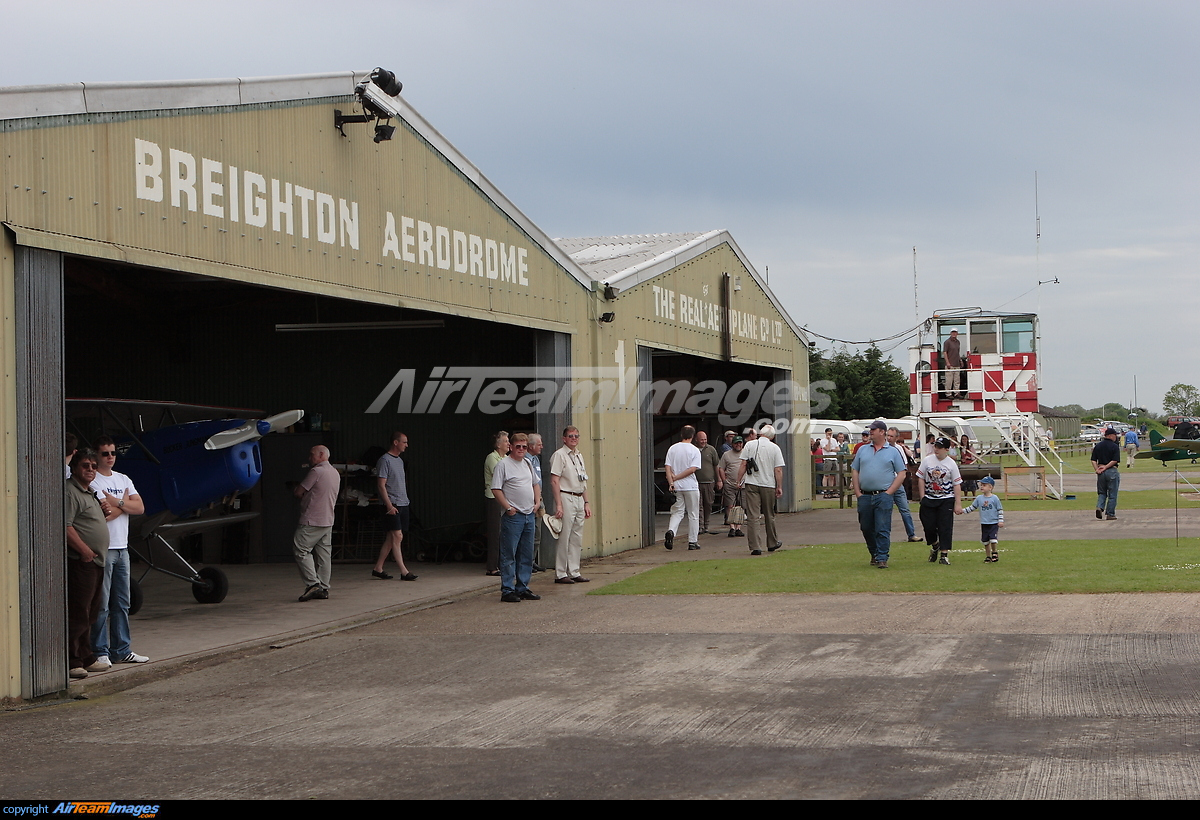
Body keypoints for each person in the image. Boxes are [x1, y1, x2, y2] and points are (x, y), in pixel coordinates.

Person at [89, 436, 148, 669]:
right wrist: (124, 505)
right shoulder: (94, 481)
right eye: (105, 453)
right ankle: (99, 650)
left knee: (122, 602)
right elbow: (106, 514)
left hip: (122, 548)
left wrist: (118, 503)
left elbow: (140, 508)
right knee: (102, 604)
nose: (110, 457)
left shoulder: (123, 478)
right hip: (104, 548)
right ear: (96, 455)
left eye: (113, 453)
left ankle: (121, 649)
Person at [64, 449, 111, 679]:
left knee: (92, 612)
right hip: (82, 562)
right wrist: (84, 551)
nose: (91, 470)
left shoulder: (90, 492)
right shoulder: (70, 491)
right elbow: (66, 525)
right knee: (78, 612)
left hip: (97, 561)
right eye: (85, 465)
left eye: (93, 466)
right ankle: (72, 660)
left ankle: (86, 656)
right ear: (75, 468)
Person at [491, 433, 542, 603]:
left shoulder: (527, 463)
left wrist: (537, 502)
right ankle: (507, 589)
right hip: (514, 516)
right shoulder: (503, 465)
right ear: (511, 447)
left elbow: (535, 483)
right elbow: (496, 489)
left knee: (526, 554)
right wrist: (507, 507)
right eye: (518, 446)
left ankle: (522, 587)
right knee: (509, 554)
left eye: (524, 447)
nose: (521, 450)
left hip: (529, 514)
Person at [852, 421, 908, 569]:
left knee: (882, 527)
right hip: (865, 495)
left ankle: (882, 557)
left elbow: (902, 473)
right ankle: (874, 552)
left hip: (883, 495)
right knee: (866, 527)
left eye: (873, 430)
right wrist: (857, 492)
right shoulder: (862, 450)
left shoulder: (893, 451)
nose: (870, 432)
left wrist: (889, 492)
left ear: (882, 432)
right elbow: (855, 470)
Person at [293, 444, 340, 601]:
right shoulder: (335, 473)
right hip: (328, 519)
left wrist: (297, 491)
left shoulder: (316, 471)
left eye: (312, 454)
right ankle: (324, 587)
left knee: (301, 548)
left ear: (321, 455)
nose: (309, 457)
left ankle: (313, 584)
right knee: (324, 554)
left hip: (312, 518)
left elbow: (299, 491)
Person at [373, 432, 417, 581]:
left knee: (392, 538)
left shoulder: (399, 461)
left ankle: (378, 568)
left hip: (403, 502)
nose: (407, 445)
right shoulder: (384, 460)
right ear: (395, 442)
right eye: (404, 442)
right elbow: (381, 485)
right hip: (392, 504)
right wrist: (389, 506)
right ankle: (404, 571)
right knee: (397, 536)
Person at [549, 426, 591, 584]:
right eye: (571, 436)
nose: (574, 438)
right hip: (566, 496)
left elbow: (583, 480)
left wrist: (586, 502)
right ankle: (560, 573)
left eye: (576, 436)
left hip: (579, 496)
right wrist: (559, 504)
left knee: (576, 537)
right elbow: (554, 480)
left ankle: (574, 571)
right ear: (564, 438)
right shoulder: (559, 455)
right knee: (564, 536)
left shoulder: (579, 455)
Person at [738, 424, 786, 556]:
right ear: (772, 436)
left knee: (753, 515)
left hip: (751, 483)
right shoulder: (775, 448)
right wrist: (779, 486)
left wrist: (738, 479)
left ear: (761, 433)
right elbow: (778, 469)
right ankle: (772, 542)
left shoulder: (749, 445)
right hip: (768, 484)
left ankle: (755, 546)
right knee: (769, 514)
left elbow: (743, 464)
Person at [917, 436, 963, 565]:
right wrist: (922, 496)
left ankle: (944, 554)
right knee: (929, 526)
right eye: (935, 446)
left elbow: (956, 484)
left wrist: (957, 503)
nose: (936, 449)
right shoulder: (927, 460)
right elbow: (920, 477)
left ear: (947, 449)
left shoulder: (951, 464)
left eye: (940, 447)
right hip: (929, 498)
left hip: (946, 499)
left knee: (945, 527)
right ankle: (935, 544)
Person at [664, 426, 702, 551]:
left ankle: (671, 531)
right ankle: (692, 541)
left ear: (681, 434)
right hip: (690, 485)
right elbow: (692, 469)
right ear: (693, 436)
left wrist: (671, 482)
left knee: (677, 512)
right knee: (693, 514)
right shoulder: (695, 450)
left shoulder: (672, 448)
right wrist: (677, 478)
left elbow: (668, 467)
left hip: (677, 487)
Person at [886, 427, 923, 543]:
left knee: (905, 510)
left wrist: (900, 481)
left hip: (897, 483)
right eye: (888, 435)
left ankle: (911, 534)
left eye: (891, 436)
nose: (888, 438)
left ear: (896, 438)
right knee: (886, 511)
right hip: (886, 484)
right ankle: (884, 536)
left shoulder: (899, 449)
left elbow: (904, 466)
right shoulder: (883, 448)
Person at [958, 476, 1004, 562]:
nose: (981, 487)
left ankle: (994, 552)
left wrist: (1000, 521)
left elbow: (999, 509)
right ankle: (988, 556)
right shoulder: (979, 498)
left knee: (993, 539)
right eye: (981, 485)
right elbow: (972, 507)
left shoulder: (995, 498)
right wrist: (962, 511)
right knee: (985, 541)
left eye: (984, 485)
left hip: (993, 523)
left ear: (990, 487)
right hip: (984, 523)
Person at [483, 431, 509, 576]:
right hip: (494, 498)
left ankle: (503, 563)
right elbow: (502, 476)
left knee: (504, 532)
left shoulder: (506, 458)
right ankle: (492, 566)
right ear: (498, 444)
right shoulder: (492, 458)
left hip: (505, 498)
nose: (508, 444)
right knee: (495, 532)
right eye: (505, 441)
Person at [524, 433, 547, 572]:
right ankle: (525, 563)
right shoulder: (524, 460)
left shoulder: (536, 460)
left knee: (537, 533)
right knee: (528, 533)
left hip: (539, 500)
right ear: (531, 446)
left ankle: (532, 560)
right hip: (528, 500)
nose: (541, 447)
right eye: (539, 444)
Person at [1091, 427, 1121, 520]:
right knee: (1112, 494)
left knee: (1102, 492)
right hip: (1111, 470)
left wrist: (1097, 469)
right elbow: (1115, 460)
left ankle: (1100, 506)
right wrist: (1106, 467)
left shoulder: (1098, 446)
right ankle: (1110, 513)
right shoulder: (1114, 446)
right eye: (1114, 435)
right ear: (1110, 436)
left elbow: (1093, 460)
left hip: (1101, 471)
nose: (1116, 437)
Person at [694, 431, 721, 535]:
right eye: (701, 440)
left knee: (708, 504)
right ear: (696, 439)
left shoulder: (711, 450)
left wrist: (718, 480)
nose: (703, 441)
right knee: (698, 505)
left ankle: (706, 525)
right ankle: (700, 526)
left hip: (709, 482)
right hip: (696, 483)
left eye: (705, 439)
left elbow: (716, 465)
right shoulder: (693, 449)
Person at [719, 436, 745, 537]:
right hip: (730, 484)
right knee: (730, 506)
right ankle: (732, 527)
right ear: (732, 444)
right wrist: (724, 480)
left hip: (743, 484)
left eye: (740, 443)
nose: (738, 445)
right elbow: (721, 468)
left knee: (742, 507)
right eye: (736, 443)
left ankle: (739, 527)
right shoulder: (726, 455)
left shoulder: (746, 453)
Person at [943, 328, 963, 398]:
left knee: (957, 380)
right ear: (950, 333)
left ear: (957, 333)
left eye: (955, 332)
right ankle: (948, 393)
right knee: (949, 380)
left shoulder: (958, 342)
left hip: (956, 364)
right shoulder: (947, 342)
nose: (954, 334)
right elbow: (945, 352)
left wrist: (960, 360)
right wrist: (947, 362)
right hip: (950, 364)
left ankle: (956, 393)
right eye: (952, 332)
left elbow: (958, 352)